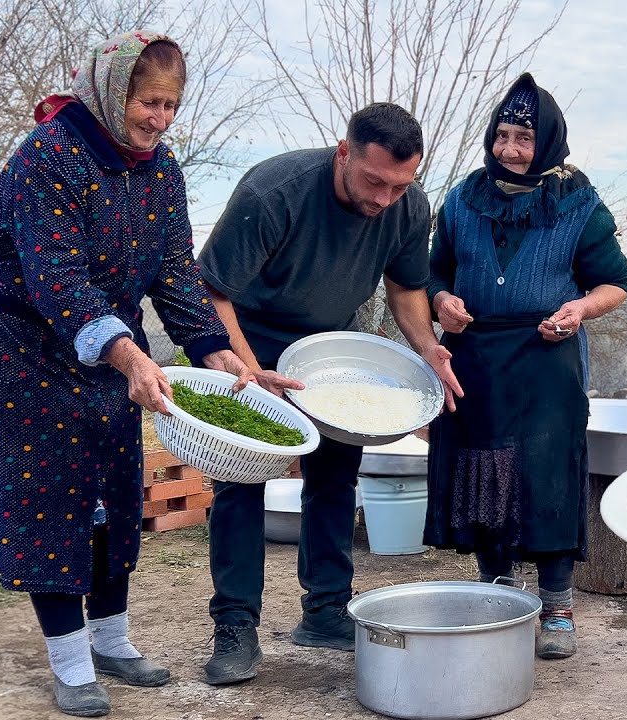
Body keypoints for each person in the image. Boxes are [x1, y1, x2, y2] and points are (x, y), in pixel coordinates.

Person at [0, 32, 251, 717]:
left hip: (108, 348)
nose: (160, 120)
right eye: (150, 103)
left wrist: (213, 347)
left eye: (172, 106)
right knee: (50, 499)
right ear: (116, 93)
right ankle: (70, 661)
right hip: (21, 349)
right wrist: (131, 355)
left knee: (114, 494)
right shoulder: (49, 157)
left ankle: (111, 639)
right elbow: (58, 280)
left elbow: (175, 272)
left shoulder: (162, 170)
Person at [195, 102, 463, 685]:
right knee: (242, 481)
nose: (385, 198)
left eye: (400, 185)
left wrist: (427, 346)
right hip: (249, 339)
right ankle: (235, 625)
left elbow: (406, 287)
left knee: (335, 476)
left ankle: (325, 610)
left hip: (330, 349)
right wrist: (248, 367)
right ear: (344, 152)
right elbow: (212, 291)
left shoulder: (407, 205)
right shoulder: (276, 191)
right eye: (374, 181)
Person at [423, 73, 627, 660]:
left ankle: (558, 604)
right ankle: (498, 591)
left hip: (546, 356)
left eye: (524, 139)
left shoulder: (578, 206)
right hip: (476, 354)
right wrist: (443, 301)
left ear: (548, 143)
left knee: (545, 470)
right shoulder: (464, 198)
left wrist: (578, 309)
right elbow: (434, 272)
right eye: (503, 136)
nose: (511, 150)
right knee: (485, 468)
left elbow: (616, 282)